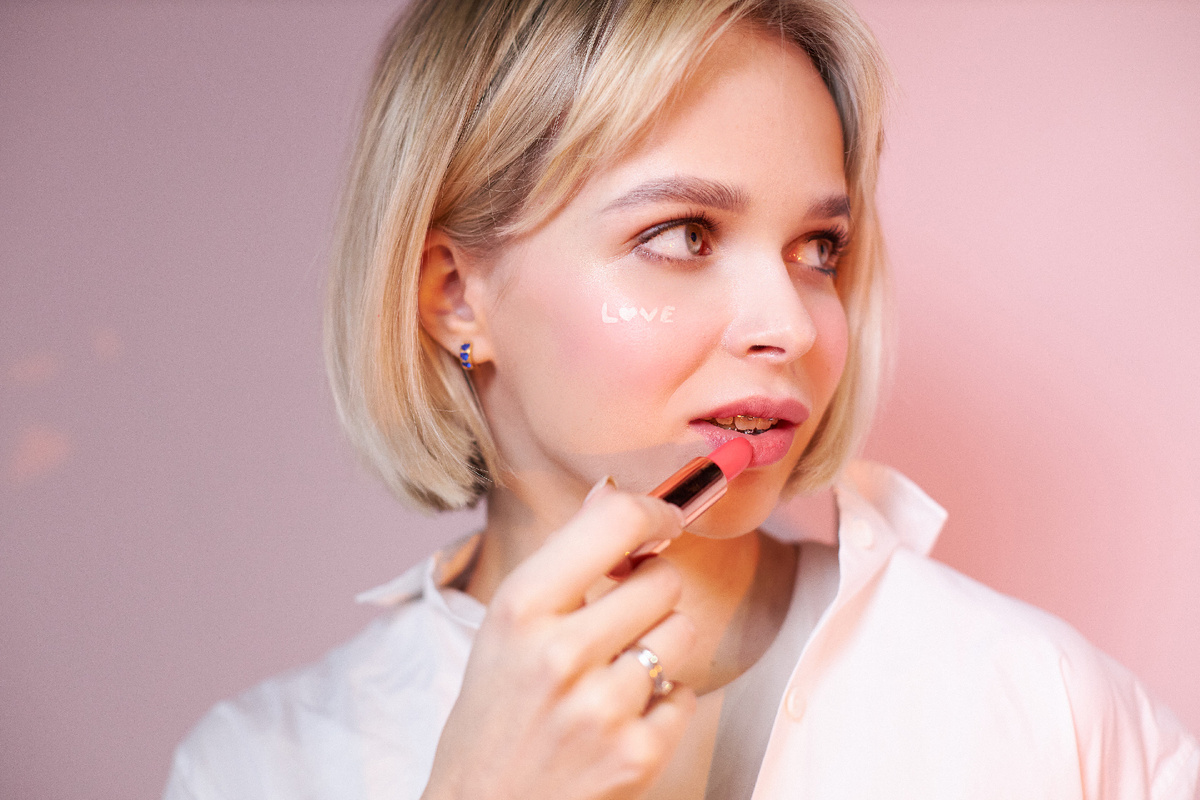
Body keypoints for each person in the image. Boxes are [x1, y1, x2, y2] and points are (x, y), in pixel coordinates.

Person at [163, 0, 1199, 797]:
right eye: (685, 236)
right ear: (453, 294)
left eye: (819, 249)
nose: (792, 326)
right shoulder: (261, 767)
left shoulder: (1046, 706)